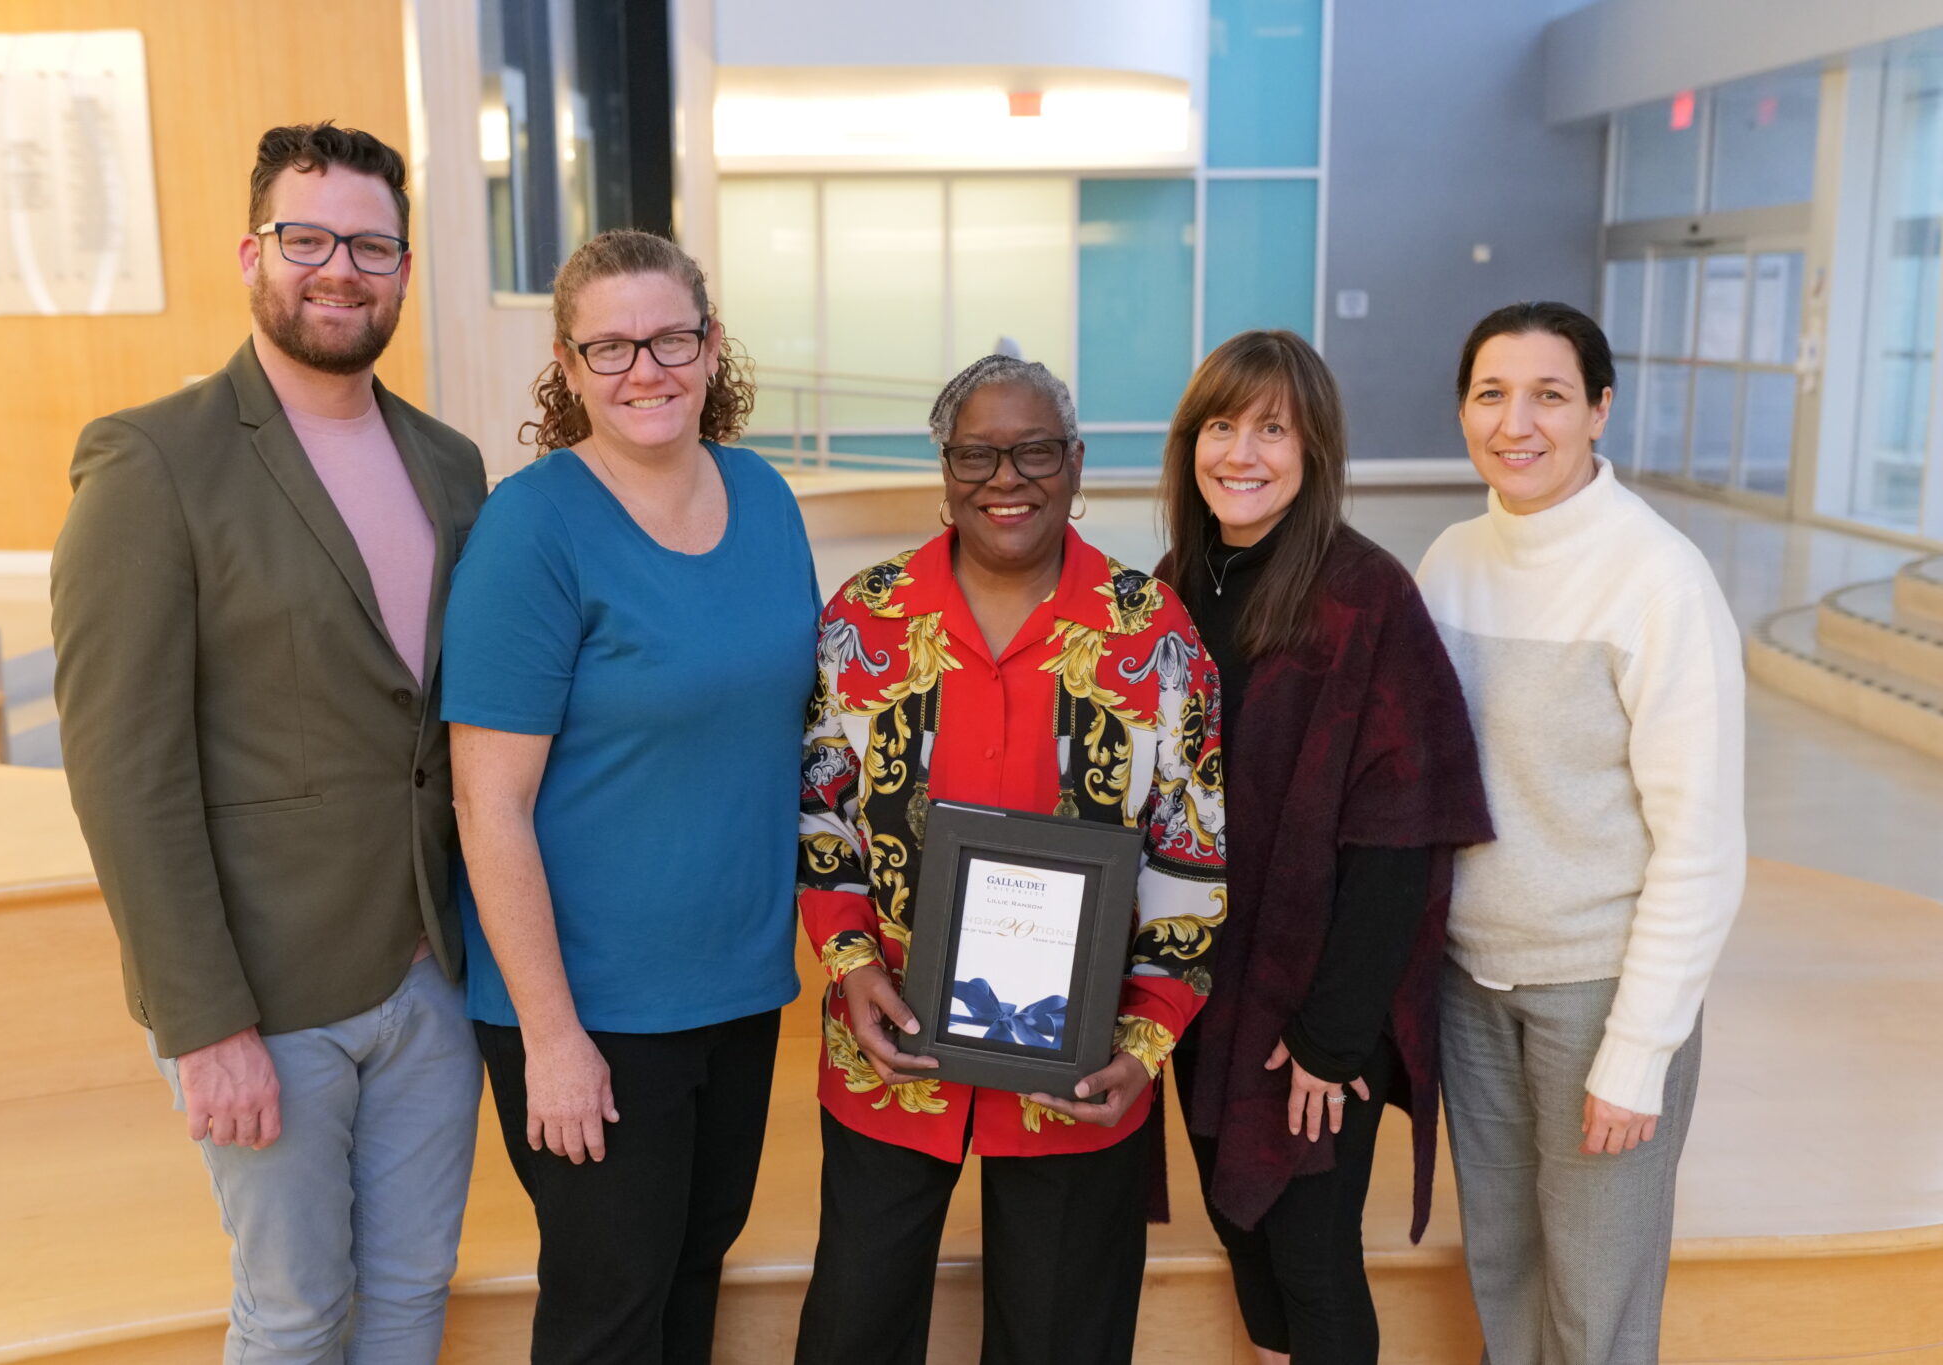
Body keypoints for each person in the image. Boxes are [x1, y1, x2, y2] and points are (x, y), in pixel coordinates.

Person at [51, 123, 487, 1364]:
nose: (337, 269)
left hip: (430, 969)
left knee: (411, 1293)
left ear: (403, 268)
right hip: (266, 996)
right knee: (293, 1313)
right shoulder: (152, 461)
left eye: (370, 244)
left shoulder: (450, 467)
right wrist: (203, 1024)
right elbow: (126, 775)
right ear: (253, 253)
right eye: (307, 239)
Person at [793, 354, 1228, 1365]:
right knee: (852, 1328)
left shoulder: (1150, 632)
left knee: (1058, 1341)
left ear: (1074, 465)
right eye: (977, 454)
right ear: (943, 470)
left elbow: (1190, 850)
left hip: (1078, 1066)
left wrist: (1147, 1038)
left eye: (1033, 452)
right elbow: (821, 822)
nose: (1006, 478)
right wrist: (851, 970)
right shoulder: (865, 619)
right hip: (889, 1048)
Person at [441, 228, 818, 1365]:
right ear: (565, 366)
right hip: (591, 1011)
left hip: (737, 990)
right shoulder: (532, 528)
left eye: (668, 338)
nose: (643, 369)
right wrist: (552, 1039)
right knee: (610, 1311)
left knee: (691, 1276)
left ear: (710, 349)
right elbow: (485, 804)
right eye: (609, 347)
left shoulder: (761, 494)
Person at [1416, 301, 1746, 1364]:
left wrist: (1638, 1049)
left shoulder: (1656, 579)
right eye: (1489, 394)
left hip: (1598, 992)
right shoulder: (1451, 560)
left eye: (1549, 395)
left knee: (1594, 1308)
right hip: (1470, 983)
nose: (1516, 422)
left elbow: (1698, 844)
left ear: (1599, 409)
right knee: (1504, 1273)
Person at [1163, 331, 1494, 1365]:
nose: (1241, 452)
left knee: (1308, 1253)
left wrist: (1332, 1036)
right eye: (1221, 426)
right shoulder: (1178, 580)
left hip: (1311, 1006)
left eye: (1273, 429)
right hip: (1202, 986)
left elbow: (1400, 833)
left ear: (1314, 454)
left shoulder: (1365, 598)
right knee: (1242, 1238)